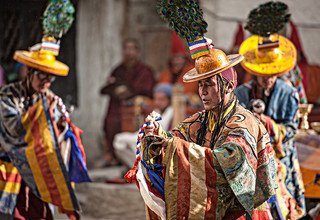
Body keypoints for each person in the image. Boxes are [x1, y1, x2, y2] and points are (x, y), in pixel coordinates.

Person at [129, 42, 277, 219]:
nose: (203, 92)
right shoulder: (201, 119)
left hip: (240, 213)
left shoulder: (245, 123)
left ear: (229, 86)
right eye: (200, 85)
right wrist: (157, 136)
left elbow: (230, 160)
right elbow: (175, 138)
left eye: (209, 84)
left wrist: (174, 146)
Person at [0, 1, 88, 219]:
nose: (47, 82)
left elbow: (59, 135)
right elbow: (13, 132)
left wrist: (61, 128)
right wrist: (40, 116)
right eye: (42, 76)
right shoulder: (8, 96)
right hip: (10, 174)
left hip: (40, 176)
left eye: (50, 77)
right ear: (28, 73)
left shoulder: (51, 99)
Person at [235, 2, 306, 219]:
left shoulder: (288, 93)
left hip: (280, 161)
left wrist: (267, 124)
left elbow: (292, 131)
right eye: (263, 74)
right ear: (255, 72)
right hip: (249, 160)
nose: (268, 79)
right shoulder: (241, 94)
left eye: (273, 74)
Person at [100, 38, 156, 166]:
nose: (129, 52)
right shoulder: (119, 69)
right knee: (110, 120)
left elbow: (147, 89)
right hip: (118, 105)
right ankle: (112, 156)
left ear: (137, 51)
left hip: (136, 107)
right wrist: (117, 90)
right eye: (126, 49)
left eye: (132, 49)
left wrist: (128, 92)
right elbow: (107, 87)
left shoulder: (144, 70)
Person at [113, 83, 173, 169]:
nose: (157, 102)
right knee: (119, 140)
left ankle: (143, 169)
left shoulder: (173, 111)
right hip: (148, 136)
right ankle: (137, 168)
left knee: (136, 143)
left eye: (161, 99)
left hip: (161, 139)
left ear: (169, 100)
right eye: (156, 99)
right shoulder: (157, 111)